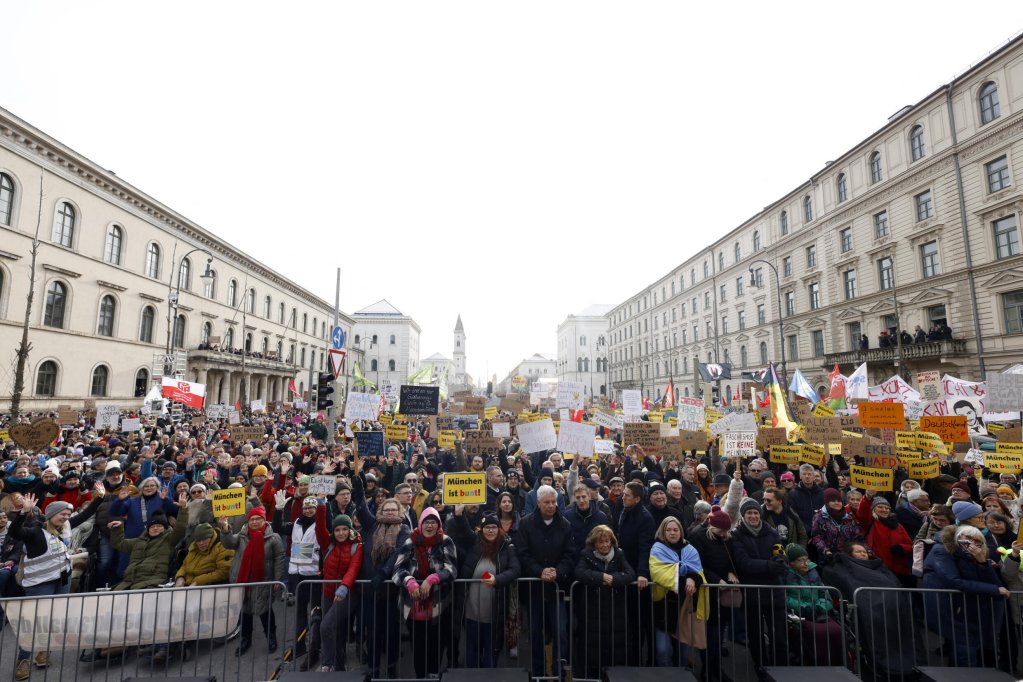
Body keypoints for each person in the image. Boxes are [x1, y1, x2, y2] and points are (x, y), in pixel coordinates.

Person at [8, 491, 103, 681]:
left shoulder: (66, 527)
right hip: (39, 585)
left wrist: (99, 497)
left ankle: (44, 650)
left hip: (62, 581)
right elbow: (16, 532)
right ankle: (23, 660)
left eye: (68, 515)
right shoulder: (35, 531)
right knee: (33, 623)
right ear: (51, 515)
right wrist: (23, 513)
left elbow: (85, 514)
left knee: (54, 618)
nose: (66, 518)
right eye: (62, 514)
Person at [922, 525, 1009, 668]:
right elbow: (954, 581)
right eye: (967, 538)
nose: (972, 543)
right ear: (958, 537)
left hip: (969, 611)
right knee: (965, 648)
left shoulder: (971, 556)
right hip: (950, 609)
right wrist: (994, 590)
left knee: (967, 648)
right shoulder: (942, 550)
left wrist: (982, 562)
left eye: (977, 541)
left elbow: (995, 583)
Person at [515, 484, 575, 680]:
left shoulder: (565, 524)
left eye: (553, 502)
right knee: (536, 633)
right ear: (538, 503)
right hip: (534, 589)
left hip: (557, 589)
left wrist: (558, 572)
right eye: (547, 503)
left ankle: (558, 672)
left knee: (561, 632)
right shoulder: (525, 524)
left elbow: (570, 554)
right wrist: (539, 571)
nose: (551, 506)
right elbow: (522, 554)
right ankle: (539, 673)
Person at [392, 506, 458, 679]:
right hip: (413, 606)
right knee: (418, 645)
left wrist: (433, 578)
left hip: (438, 602)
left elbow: (452, 569)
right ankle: (420, 676)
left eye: (433, 522)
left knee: (437, 644)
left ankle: (434, 674)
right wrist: (410, 582)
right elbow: (398, 569)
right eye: (427, 522)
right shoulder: (410, 542)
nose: (430, 526)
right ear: (421, 524)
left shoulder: (446, 541)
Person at [450, 512, 521, 668]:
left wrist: (498, 580)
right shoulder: (474, 543)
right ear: (481, 530)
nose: (490, 530)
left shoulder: (507, 546)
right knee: (472, 652)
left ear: (499, 529)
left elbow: (516, 569)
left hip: (494, 612)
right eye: (487, 527)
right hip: (471, 611)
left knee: (491, 653)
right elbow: (463, 529)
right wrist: (459, 514)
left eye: (494, 527)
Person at [729, 498, 789, 675]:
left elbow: (780, 552)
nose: (753, 516)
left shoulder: (771, 533)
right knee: (756, 636)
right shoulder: (737, 535)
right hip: (752, 595)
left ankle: (781, 670)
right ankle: (760, 667)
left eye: (756, 512)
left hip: (774, 593)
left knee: (779, 636)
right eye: (749, 513)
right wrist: (768, 566)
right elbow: (743, 562)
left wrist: (780, 562)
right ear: (744, 515)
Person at [272, 493, 329, 668]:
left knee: (316, 614)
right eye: (306, 508)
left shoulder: (320, 524)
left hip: (314, 576)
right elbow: (278, 528)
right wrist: (278, 510)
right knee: (300, 613)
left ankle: (315, 647)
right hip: (298, 575)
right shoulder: (296, 523)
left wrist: (323, 505)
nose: (309, 510)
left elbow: (328, 523)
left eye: (312, 508)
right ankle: (299, 645)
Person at [218, 506, 285, 656]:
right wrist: (225, 528)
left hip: (262, 580)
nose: (254, 522)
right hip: (243, 580)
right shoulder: (241, 536)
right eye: (252, 519)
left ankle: (271, 637)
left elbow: (279, 559)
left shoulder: (273, 538)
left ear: (264, 520)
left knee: (265, 611)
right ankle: (245, 639)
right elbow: (228, 543)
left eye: (258, 519)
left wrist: (277, 580)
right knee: (245, 612)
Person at [573, 524, 636, 679]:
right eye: (601, 542)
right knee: (594, 647)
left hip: (616, 610)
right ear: (594, 543)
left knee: (616, 647)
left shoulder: (619, 555)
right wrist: (600, 577)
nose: (605, 545)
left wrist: (614, 579)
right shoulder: (586, 555)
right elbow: (579, 573)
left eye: (607, 541)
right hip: (593, 609)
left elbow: (630, 574)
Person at [648, 517, 704, 669]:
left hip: (685, 607)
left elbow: (699, 572)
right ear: (662, 532)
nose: (672, 533)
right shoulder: (657, 549)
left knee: (684, 651)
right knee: (663, 650)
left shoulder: (690, 549)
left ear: (681, 531)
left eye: (675, 529)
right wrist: (686, 577)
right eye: (668, 530)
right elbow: (658, 573)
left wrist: (692, 578)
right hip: (664, 608)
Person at [783, 543, 844, 666]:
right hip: (800, 614)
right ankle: (816, 664)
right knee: (817, 633)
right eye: (801, 561)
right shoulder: (785, 575)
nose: (805, 563)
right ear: (791, 563)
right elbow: (786, 598)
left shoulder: (813, 572)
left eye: (807, 559)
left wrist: (820, 606)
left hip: (819, 612)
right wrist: (806, 608)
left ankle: (839, 664)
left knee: (837, 630)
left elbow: (824, 593)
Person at [317, 514, 364, 673]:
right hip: (328, 593)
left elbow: (353, 569)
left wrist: (344, 587)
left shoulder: (357, 546)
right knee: (334, 631)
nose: (341, 533)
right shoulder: (328, 544)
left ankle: (327, 664)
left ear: (350, 530)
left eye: (345, 529)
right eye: (337, 530)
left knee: (325, 626)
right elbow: (319, 528)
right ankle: (339, 667)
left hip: (347, 594)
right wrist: (321, 503)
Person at [854, 492, 913, 585]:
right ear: (873, 509)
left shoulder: (898, 526)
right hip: (878, 568)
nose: (884, 510)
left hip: (899, 570)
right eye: (880, 507)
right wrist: (867, 497)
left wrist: (902, 548)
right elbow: (862, 512)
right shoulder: (870, 522)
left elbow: (910, 546)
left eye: (887, 508)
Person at [810, 488, 864, 562]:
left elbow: (858, 536)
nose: (837, 503)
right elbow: (817, 537)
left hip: (849, 558)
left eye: (839, 501)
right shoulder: (819, 517)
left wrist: (862, 550)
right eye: (833, 501)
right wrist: (825, 551)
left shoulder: (848, 517)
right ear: (827, 502)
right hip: (829, 559)